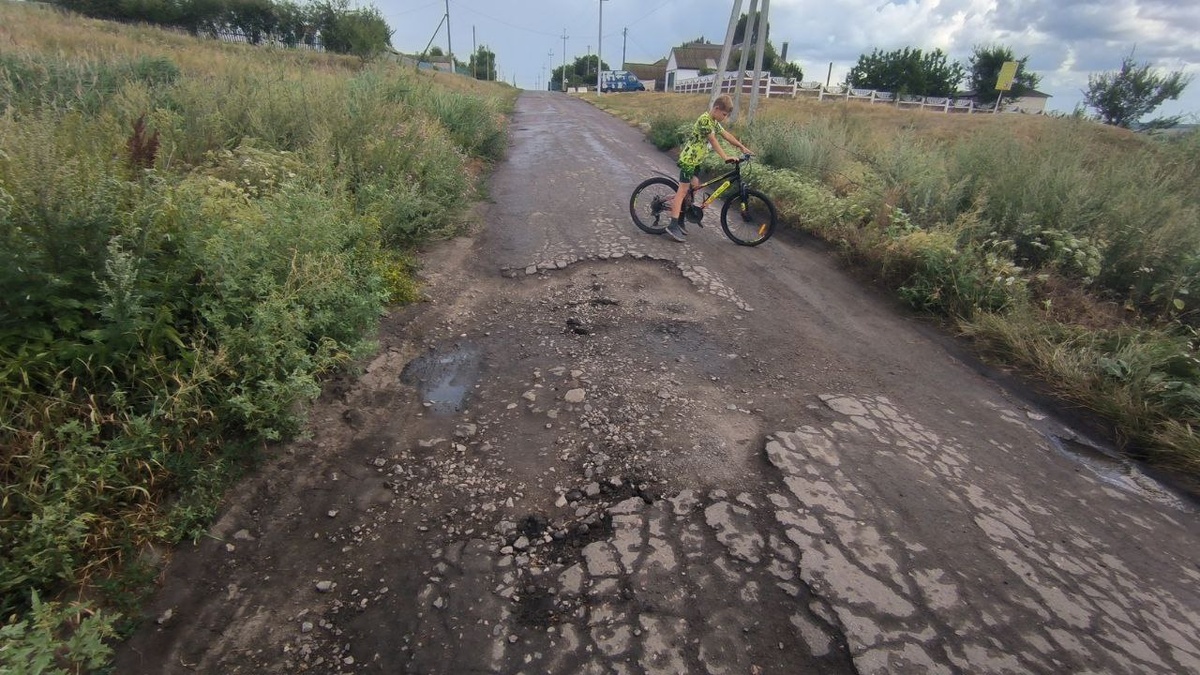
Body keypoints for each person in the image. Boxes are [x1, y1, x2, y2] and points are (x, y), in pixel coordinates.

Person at [664, 94, 752, 242]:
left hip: (696, 161)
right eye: (724, 114)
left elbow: (726, 135)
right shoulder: (705, 120)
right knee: (683, 191)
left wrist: (742, 147)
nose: (724, 117)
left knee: (694, 187)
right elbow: (713, 139)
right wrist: (725, 157)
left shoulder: (713, 121)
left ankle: (680, 219)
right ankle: (672, 225)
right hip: (688, 160)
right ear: (717, 109)